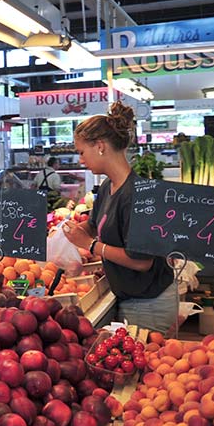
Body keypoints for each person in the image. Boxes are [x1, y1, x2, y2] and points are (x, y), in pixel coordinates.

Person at [61, 103, 176, 334]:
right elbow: (95, 225)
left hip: (149, 303)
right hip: (130, 296)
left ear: (100, 146)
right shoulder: (107, 186)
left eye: (82, 152)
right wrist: (69, 232)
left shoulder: (137, 195)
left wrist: (91, 245)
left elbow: (142, 262)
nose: (81, 160)